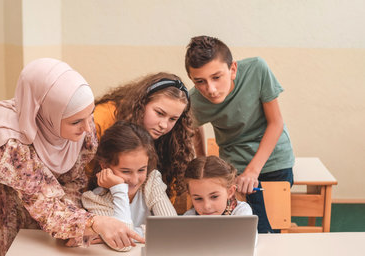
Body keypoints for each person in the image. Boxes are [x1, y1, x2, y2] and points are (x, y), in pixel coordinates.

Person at [0, 58, 143, 256]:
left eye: (90, 114)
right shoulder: (7, 141)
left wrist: (77, 228)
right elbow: (43, 202)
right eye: (76, 122)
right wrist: (93, 222)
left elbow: (73, 180)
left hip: (35, 208)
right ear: (44, 113)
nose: (87, 128)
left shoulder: (80, 126)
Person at [185, 36, 294, 233]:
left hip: (274, 160)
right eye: (200, 82)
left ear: (233, 69)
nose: (210, 89)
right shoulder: (194, 101)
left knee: (266, 229)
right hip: (233, 168)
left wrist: (252, 172)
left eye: (216, 77)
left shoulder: (257, 69)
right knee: (234, 227)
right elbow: (191, 127)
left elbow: (276, 123)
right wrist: (202, 159)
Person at [93, 73, 194, 214]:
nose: (164, 125)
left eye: (173, 119)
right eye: (159, 113)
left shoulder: (170, 144)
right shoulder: (101, 119)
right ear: (142, 103)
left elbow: (166, 217)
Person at [82, 121, 177, 251]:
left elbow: (173, 228)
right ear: (105, 166)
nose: (134, 180)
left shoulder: (151, 181)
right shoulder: (94, 199)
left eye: (141, 170)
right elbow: (123, 245)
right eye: (126, 171)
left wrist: (133, 232)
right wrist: (118, 189)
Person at [184, 156, 252, 216]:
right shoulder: (188, 218)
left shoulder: (242, 212)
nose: (207, 206)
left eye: (214, 196)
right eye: (198, 198)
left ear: (230, 192)